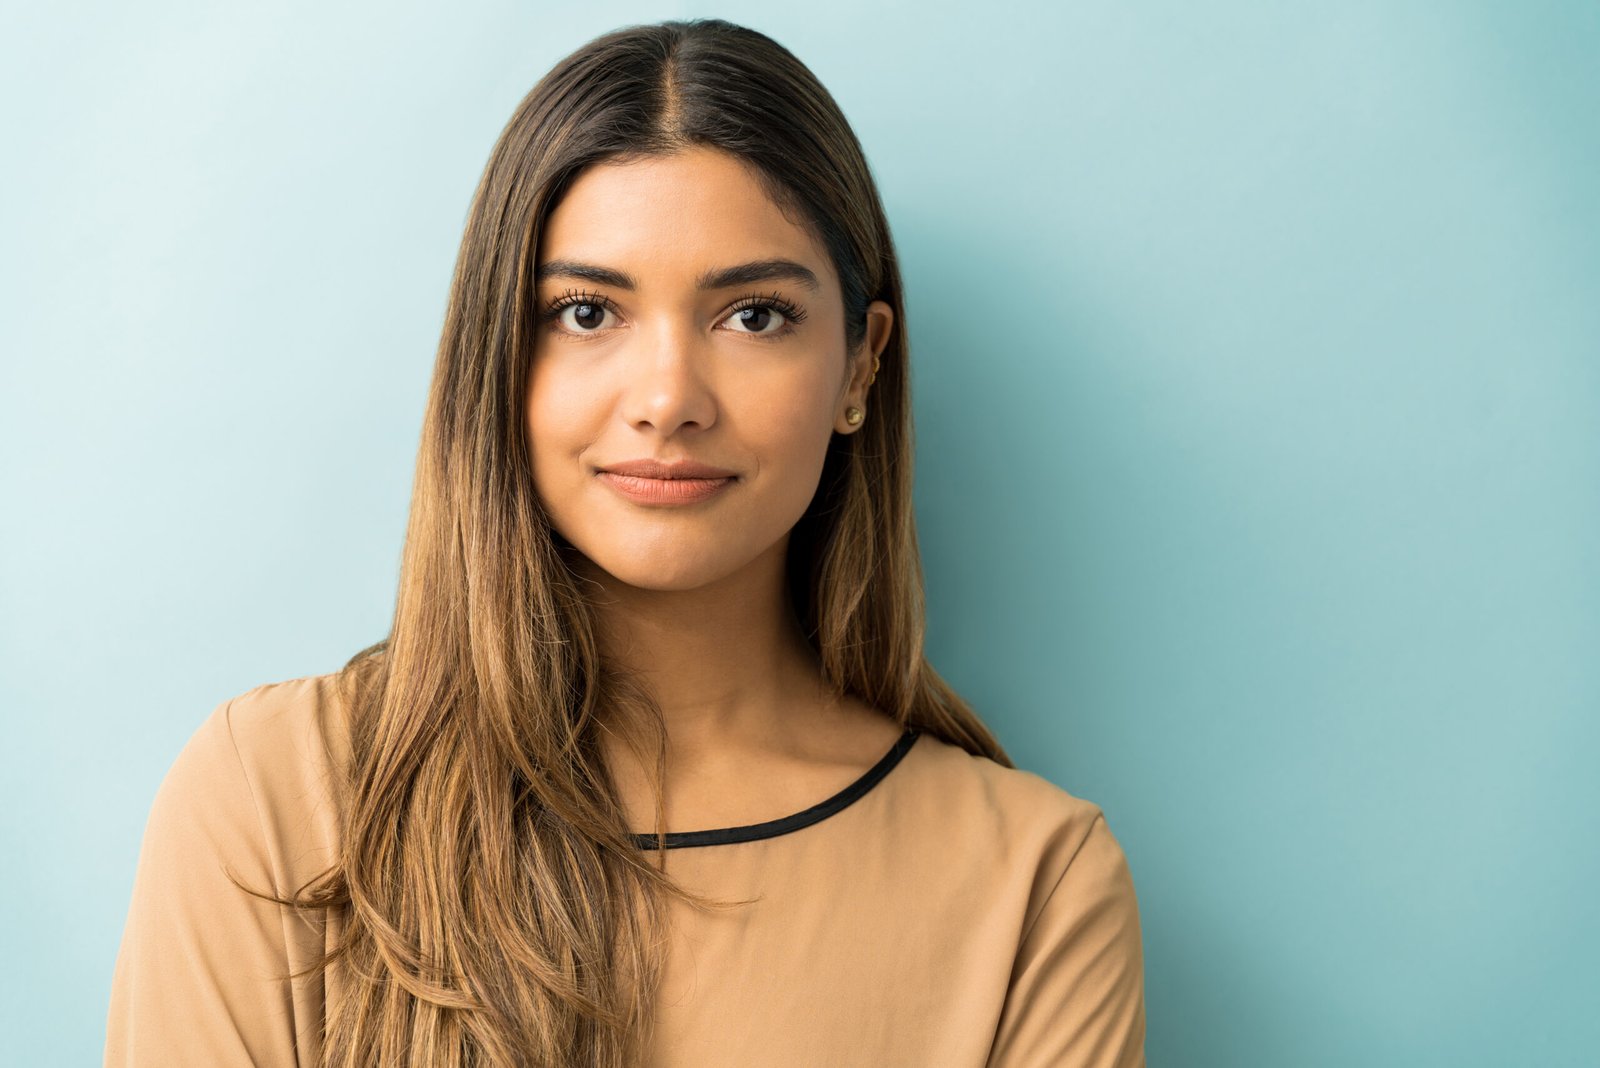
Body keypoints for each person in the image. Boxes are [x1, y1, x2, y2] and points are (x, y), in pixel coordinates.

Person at [105, 17, 1146, 1067]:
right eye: (587, 311)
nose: (666, 400)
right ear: (499, 353)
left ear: (862, 367)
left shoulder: (1034, 889)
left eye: (753, 316)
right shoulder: (281, 797)